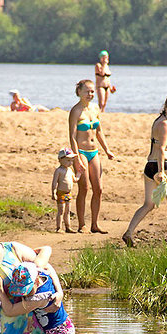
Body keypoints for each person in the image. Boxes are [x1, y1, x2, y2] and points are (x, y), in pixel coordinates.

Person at [122, 91, 167, 248]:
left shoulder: (159, 120)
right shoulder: (165, 124)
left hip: (149, 165)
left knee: (148, 204)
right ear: (165, 107)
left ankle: (129, 232)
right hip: (163, 166)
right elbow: (162, 149)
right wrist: (161, 172)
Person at [68, 79, 115, 233]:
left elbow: (99, 131)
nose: (90, 94)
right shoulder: (75, 111)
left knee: (99, 189)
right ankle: (82, 224)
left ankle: (95, 224)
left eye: (92, 91)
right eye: (87, 91)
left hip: (94, 152)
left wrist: (107, 150)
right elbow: (72, 137)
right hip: (80, 152)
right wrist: (76, 158)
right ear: (79, 92)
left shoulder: (95, 109)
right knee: (84, 188)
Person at [51, 148, 80, 233]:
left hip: (68, 193)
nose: (70, 163)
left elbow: (75, 179)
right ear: (60, 160)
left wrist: (79, 173)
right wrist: (53, 192)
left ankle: (68, 227)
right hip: (61, 193)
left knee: (67, 210)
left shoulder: (70, 170)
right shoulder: (59, 171)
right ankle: (59, 227)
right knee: (61, 210)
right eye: (68, 160)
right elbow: (54, 182)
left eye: (71, 161)